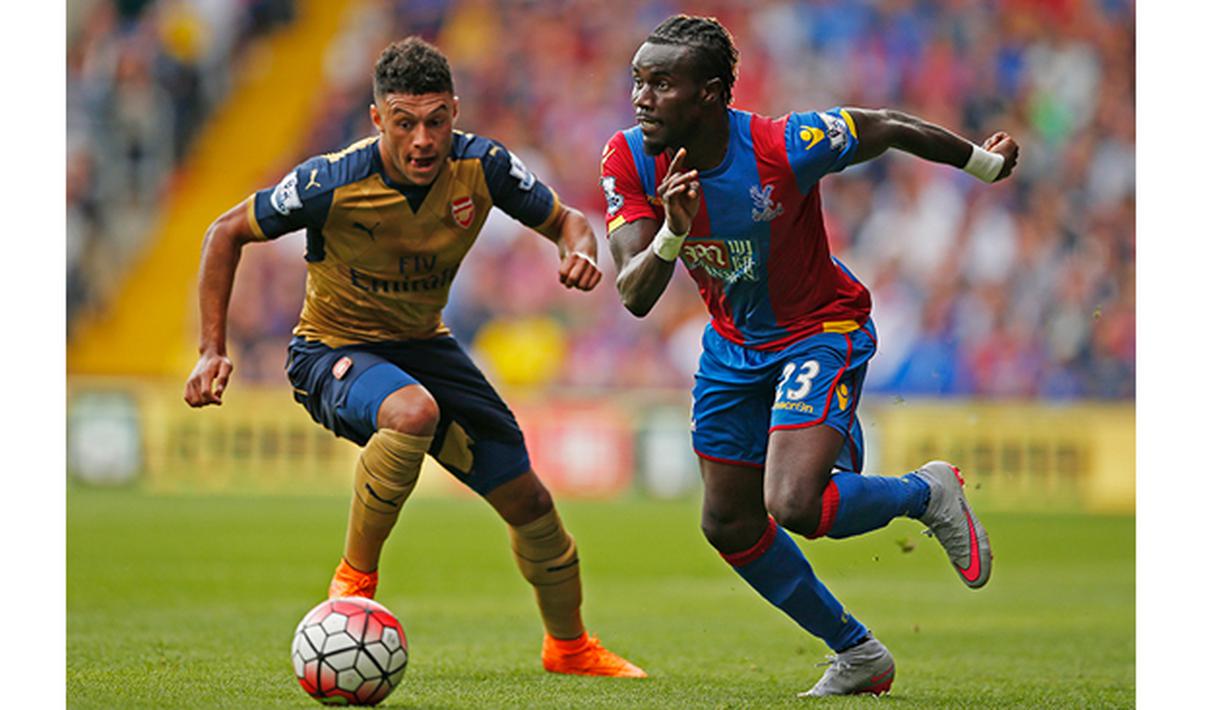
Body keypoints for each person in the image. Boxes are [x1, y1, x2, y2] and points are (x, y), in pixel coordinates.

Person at [183, 36, 645, 679]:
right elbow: (224, 232)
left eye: (435, 121)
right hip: (330, 350)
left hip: (425, 346)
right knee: (410, 412)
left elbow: (567, 220)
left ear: (454, 112)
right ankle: (353, 583)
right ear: (378, 120)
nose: (422, 139)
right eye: (404, 123)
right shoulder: (331, 181)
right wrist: (212, 350)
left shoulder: (484, 168)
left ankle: (568, 648)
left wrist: (579, 250)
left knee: (532, 504)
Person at [602, 15, 1018, 697]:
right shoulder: (628, 158)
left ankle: (927, 492)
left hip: (819, 328)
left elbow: (884, 125)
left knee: (793, 503)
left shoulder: (781, 145)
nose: (641, 98)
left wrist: (981, 162)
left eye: (660, 83)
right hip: (734, 348)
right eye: (637, 82)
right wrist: (673, 232)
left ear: (709, 94)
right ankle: (857, 653)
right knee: (727, 522)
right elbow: (634, 293)